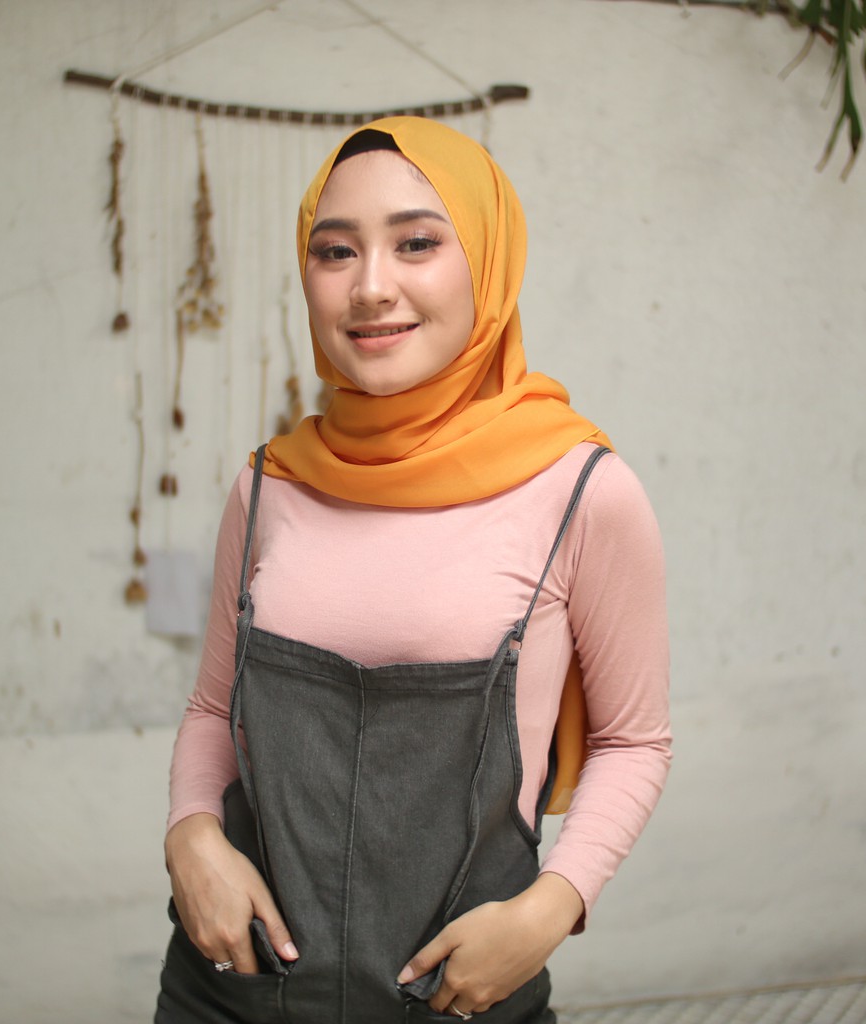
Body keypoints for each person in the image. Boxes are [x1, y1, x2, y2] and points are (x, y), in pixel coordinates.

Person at [155, 116, 671, 1024]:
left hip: (459, 1001)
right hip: (232, 992)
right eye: (335, 251)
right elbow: (211, 708)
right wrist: (190, 837)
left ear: (488, 261)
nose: (370, 287)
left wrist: (550, 911)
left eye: (418, 243)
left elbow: (635, 741)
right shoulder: (268, 483)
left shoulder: (584, 491)